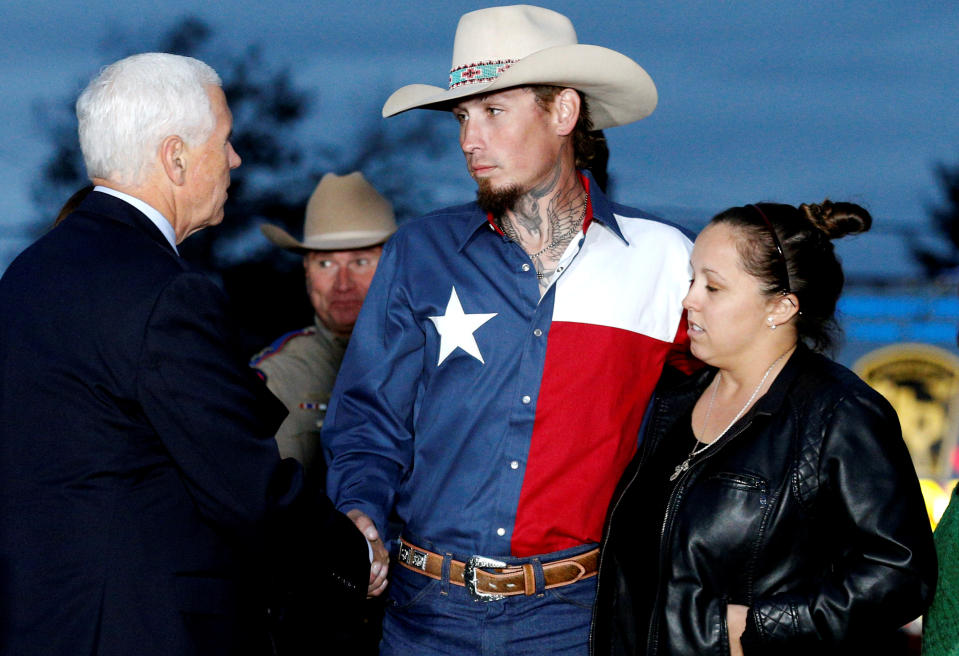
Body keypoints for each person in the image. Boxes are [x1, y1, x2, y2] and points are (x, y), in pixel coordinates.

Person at [322, 5, 696, 654]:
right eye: (462, 117)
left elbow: (746, 406)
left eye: (493, 111)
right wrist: (360, 510)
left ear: (562, 113)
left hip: (576, 620)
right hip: (422, 618)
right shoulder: (418, 252)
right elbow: (367, 417)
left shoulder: (664, 259)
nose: (470, 139)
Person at [0, 52, 370, 656]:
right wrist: (353, 559)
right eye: (224, 141)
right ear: (175, 157)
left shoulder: (27, 274)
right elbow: (245, 489)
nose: (234, 159)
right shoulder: (165, 293)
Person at [591, 200, 937, 655]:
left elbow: (900, 575)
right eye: (692, 279)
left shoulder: (839, 412)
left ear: (781, 307)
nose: (689, 299)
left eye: (713, 287)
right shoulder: (671, 402)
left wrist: (762, 626)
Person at [251, 171, 396, 480]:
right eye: (326, 264)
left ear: (393, 267)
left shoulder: (438, 363)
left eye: (360, 262)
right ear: (306, 271)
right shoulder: (281, 377)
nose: (342, 284)